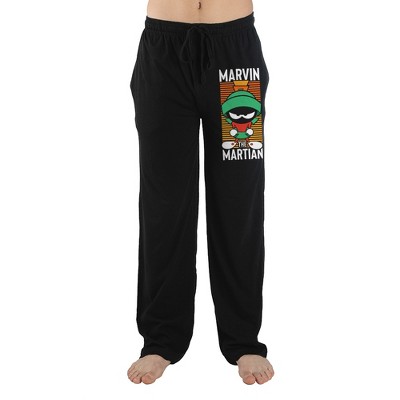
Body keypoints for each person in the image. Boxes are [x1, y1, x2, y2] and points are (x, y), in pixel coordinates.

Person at [127, 0, 274, 385]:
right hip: (162, 51)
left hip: (235, 54)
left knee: (239, 200)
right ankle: (161, 339)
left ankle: (243, 339)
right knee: (163, 203)